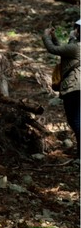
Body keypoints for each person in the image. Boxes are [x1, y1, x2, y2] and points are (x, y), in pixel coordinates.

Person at [42, 19, 80, 154]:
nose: (74, 30)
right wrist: (55, 37)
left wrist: (46, 35)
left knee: (75, 120)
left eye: (76, 28)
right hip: (77, 88)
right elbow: (63, 51)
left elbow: (53, 49)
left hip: (74, 88)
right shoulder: (75, 47)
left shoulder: (76, 47)